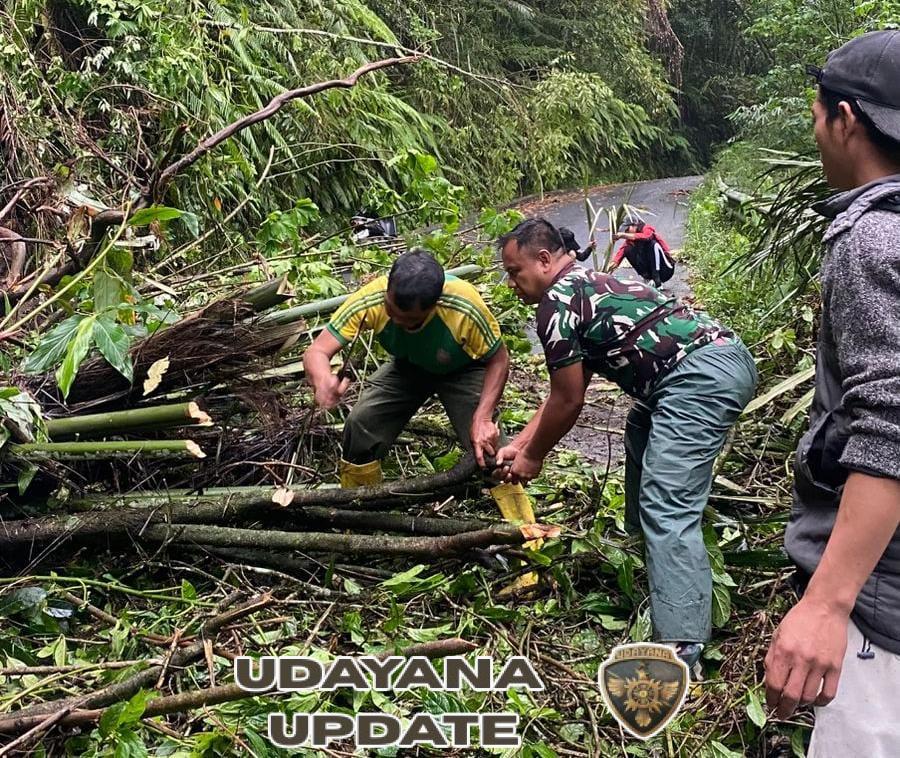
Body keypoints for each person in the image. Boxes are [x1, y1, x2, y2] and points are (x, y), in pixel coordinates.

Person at [495, 218, 757, 665]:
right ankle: (648, 554)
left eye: (515, 272)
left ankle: (680, 645)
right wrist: (518, 442)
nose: (512, 284)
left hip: (698, 378)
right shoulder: (583, 282)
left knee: (667, 502)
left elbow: (569, 400)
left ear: (543, 260)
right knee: (641, 426)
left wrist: (533, 457)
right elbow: (564, 388)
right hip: (718, 359)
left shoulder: (557, 303)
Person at [763, 30, 900, 755]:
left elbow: (892, 428)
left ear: (845, 118)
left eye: (817, 115)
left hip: (884, 602)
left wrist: (826, 603)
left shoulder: (873, 239)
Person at [302, 248, 542, 590]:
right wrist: (323, 378)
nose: (397, 322)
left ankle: (529, 547)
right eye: (391, 312)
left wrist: (483, 416)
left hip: (464, 368)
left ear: (434, 306)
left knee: (492, 452)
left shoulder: (464, 305)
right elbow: (316, 351)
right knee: (361, 425)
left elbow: (498, 360)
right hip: (408, 366)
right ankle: (359, 526)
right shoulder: (371, 297)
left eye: (410, 321)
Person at [607, 217, 675, 288]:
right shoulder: (629, 242)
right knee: (627, 249)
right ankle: (648, 278)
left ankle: (657, 280)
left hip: (665, 269)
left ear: (634, 226)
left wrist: (623, 235)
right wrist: (610, 267)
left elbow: (646, 237)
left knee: (653, 244)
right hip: (650, 271)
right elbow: (620, 254)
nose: (626, 232)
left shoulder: (646, 228)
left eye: (627, 229)